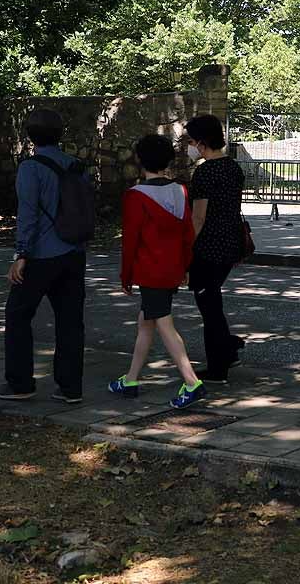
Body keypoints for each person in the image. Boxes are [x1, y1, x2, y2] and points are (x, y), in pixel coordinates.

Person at [0, 108, 87, 404]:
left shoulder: (30, 168)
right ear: (60, 134)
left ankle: (20, 382)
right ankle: (71, 386)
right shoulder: (76, 166)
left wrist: (22, 253)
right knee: (71, 321)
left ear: (30, 135)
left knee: (18, 315)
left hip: (40, 254)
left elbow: (28, 214)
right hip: (74, 252)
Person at [110, 135, 205, 409]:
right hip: (173, 267)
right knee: (147, 321)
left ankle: (191, 381)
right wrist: (185, 265)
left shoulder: (136, 196)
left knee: (163, 323)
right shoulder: (181, 191)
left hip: (150, 270)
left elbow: (131, 241)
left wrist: (126, 276)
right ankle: (130, 379)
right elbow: (187, 234)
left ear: (140, 160)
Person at [184, 114, 246, 384]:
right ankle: (228, 348)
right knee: (212, 301)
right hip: (231, 242)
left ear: (200, 142)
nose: (189, 146)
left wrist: (186, 249)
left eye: (191, 140)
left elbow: (198, 217)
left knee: (208, 305)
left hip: (208, 246)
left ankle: (219, 364)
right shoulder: (233, 167)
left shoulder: (205, 172)